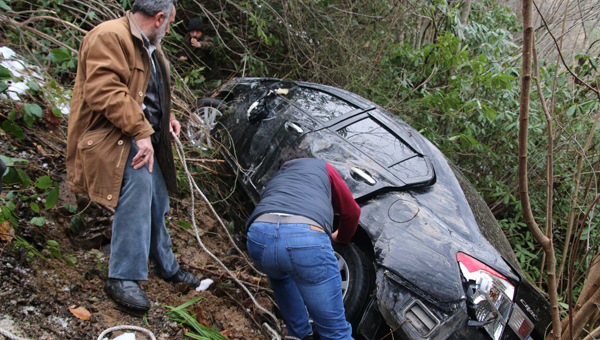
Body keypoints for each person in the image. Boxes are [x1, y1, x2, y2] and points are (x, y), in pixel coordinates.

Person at [66, 0, 200, 314]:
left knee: (158, 198)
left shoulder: (151, 48)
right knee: (139, 185)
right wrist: (142, 132)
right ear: (159, 18)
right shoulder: (109, 36)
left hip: (136, 137)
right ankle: (122, 276)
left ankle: (165, 265)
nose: (169, 30)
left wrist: (165, 119)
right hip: (106, 139)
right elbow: (106, 91)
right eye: (169, 23)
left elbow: (145, 94)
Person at [245, 147, 360, 340]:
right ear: (307, 159)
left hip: (258, 238)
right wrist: (342, 237)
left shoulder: (276, 179)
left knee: (280, 277)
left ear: (282, 166)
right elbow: (352, 211)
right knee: (335, 333)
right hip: (305, 240)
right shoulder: (322, 167)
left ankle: (299, 334)